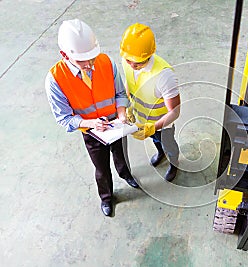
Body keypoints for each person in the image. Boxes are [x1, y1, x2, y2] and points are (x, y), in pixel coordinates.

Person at [45, 19, 139, 217]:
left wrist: (121, 114)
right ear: (64, 55)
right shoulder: (55, 80)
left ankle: (126, 174)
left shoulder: (106, 62)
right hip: (91, 132)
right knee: (101, 169)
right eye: (82, 61)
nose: (89, 65)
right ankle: (106, 197)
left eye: (92, 58)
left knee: (121, 155)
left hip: (116, 123)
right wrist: (90, 124)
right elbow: (63, 118)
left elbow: (120, 94)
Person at [120, 23, 180, 182]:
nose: (132, 65)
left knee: (168, 144)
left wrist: (153, 127)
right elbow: (129, 82)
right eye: (128, 60)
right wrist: (128, 107)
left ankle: (174, 163)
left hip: (163, 123)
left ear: (149, 54)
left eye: (138, 62)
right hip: (143, 119)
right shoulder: (127, 61)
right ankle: (161, 152)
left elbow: (175, 111)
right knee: (155, 140)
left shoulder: (164, 76)